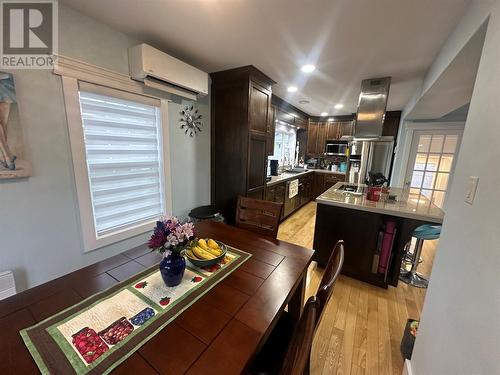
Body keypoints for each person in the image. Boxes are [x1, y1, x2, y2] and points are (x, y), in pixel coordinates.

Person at [0, 72, 16, 170]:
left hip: (4, 85)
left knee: (3, 122)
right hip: (5, 84)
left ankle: (5, 157)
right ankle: (8, 156)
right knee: (2, 122)